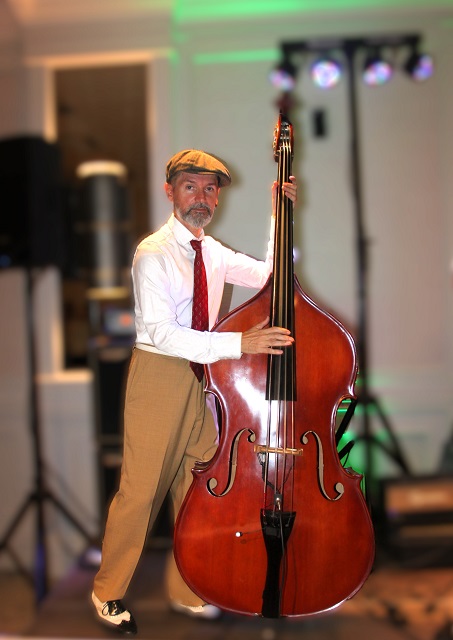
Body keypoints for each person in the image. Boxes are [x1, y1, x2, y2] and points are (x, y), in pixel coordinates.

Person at [91, 149, 297, 635]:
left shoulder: (214, 252)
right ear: (170, 192)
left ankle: (187, 589)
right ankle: (107, 591)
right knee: (141, 492)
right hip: (160, 375)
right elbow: (162, 333)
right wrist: (240, 343)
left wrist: (279, 214)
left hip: (203, 378)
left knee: (198, 489)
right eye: (190, 186)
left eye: (209, 189)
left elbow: (272, 277)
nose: (200, 197)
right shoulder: (153, 253)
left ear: (217, 198)